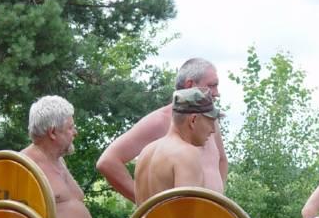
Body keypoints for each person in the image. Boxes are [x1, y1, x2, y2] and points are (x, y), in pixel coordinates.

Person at [96, 57, 227, 202]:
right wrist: (150, 205)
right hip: (183, 215)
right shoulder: (161, 124)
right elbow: (107, 161)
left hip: (204, 213)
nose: (217, 93)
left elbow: (221, 160)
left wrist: (219, 205)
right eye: (212, 85)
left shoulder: (207, 121)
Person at [133, 87, 225, 205]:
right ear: (193, 120)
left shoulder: (145, 152)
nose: (213, 130)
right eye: (210, 122)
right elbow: (187, 214)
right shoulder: (187, 154)